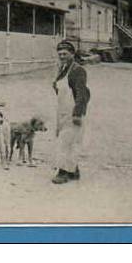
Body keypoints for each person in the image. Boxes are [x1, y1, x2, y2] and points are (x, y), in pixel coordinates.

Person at [51, 40, 90, 184]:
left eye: (65, 53)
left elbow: (82, 94)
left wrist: (77, 113)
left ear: (72, 54)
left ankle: (63, 172)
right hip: (62, 111)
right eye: (60, 54)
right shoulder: (63, 69)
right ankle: (73, 171)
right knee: (67, 141)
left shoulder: (77, 70)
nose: (62, 56)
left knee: (65, 142)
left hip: (72, 112)